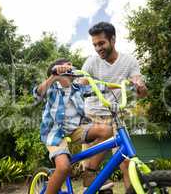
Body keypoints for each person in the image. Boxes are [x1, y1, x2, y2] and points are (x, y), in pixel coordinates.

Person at [81, 21, 147, 189]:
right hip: (92, 116)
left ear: (113, 39)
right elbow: (80, 84)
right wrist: (84, 82)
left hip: (116, 116)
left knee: (125, 161)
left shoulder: (129, 61)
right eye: (95, 45)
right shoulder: (91, 62)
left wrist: (139, 85)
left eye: (101, 43)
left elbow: (141, 91)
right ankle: (91, 174)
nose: (98, 48)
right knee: (90, 171)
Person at [33, 58, 113, 194]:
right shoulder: (52, 88)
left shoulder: (78, 88)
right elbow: (38, 93)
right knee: (64, 168)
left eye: (71, 66)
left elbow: (101, 87)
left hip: (75, 129)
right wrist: (54, 75)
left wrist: (127, 85)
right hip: (54, 134)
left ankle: (90, 173)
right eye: (67, 66)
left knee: (107, 131)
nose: (71, 68)